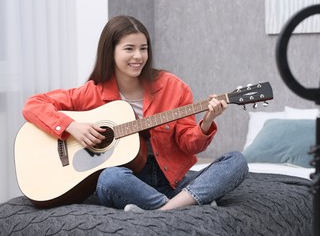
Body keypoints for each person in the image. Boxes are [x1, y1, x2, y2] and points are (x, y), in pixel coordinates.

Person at [22, 15, 248, 211]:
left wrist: (207, 122)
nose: (138, 56)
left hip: (172, 182)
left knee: (236, 161)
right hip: (128, 183)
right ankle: (184, 205)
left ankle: (164, 209)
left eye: (143, 48)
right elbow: (34, 104)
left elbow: (190, 144)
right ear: (110, 51)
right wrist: (71, 126)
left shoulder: (173, 87)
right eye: (129, 49)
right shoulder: (92, 92)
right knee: (109, 177)